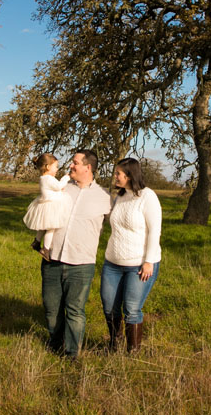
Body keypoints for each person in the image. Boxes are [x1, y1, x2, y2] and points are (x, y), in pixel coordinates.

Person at [39, 149, 111, 359]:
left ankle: (71, 354)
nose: (70, 166)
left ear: (88, 167)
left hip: (81, 264)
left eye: (75, 163)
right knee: (51, 309)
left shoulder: (104, 197)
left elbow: (120, 225)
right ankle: (54, 343)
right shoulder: (61, 189)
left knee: (75, 311)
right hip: (52, 259)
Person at [101, 157, 162, 353]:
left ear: (129, 175)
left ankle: (133, 353)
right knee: (109, 307)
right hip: (112, 263)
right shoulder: (120, 197)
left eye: (118, 173)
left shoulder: (147, 196)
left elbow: (155, 230)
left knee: (132, 310)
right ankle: (115, 342)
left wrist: (149, 261)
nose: (115, 177)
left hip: (138, 265)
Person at [23, 153, 72, 260]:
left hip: (46, 204)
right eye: (56, 167)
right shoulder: (48, 179)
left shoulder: (43, 178)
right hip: (51, 206)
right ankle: (46, 249)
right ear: (48, 167)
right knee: (51, 228)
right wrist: (66, 178)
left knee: (44, 226)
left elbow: (54, 189)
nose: (57, 169)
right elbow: (58, 186)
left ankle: (37, 241)